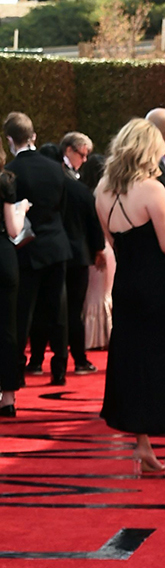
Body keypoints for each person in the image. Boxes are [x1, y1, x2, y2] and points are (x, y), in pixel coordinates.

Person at [95, 118, 165, 479]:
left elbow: (113, 242)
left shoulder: (102, 190)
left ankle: (142, 445)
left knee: (133, 363)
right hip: (159, 290)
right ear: (148, 149)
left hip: (125, 287)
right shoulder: (153, 189)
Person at [3, 111, 71, 386]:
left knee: (22, 313)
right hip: (56, 246)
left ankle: (17, 371)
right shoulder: (57, 168)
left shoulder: (11, 173)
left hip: (26, 249)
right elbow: (63, 207)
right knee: (59, 310)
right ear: (33, 136)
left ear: (9, 139)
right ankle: (60, 369)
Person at [55, 131, 105, 375]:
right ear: (68, 151)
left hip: (53, 253)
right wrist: (99, 248)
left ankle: (42, 362)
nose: (85, 160)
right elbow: (92, 222)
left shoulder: (54, 181)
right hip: (77, 254)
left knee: (53, 308)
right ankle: (78, 359)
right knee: (74, 310)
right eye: (82, 155)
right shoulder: (77, 188)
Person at [0, 136, 28, 417]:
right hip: (3, 258)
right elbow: (13, 229)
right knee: (7, 328)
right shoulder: (5, 180)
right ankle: (7, 398)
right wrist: (21, 210)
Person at [80, 152, 114, 350]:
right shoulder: (108, 193)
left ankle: (92, 338)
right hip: (106, 247)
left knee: (92, 295)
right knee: (104, 295)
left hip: (93, 248)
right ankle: (106, 335)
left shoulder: (85, 194)